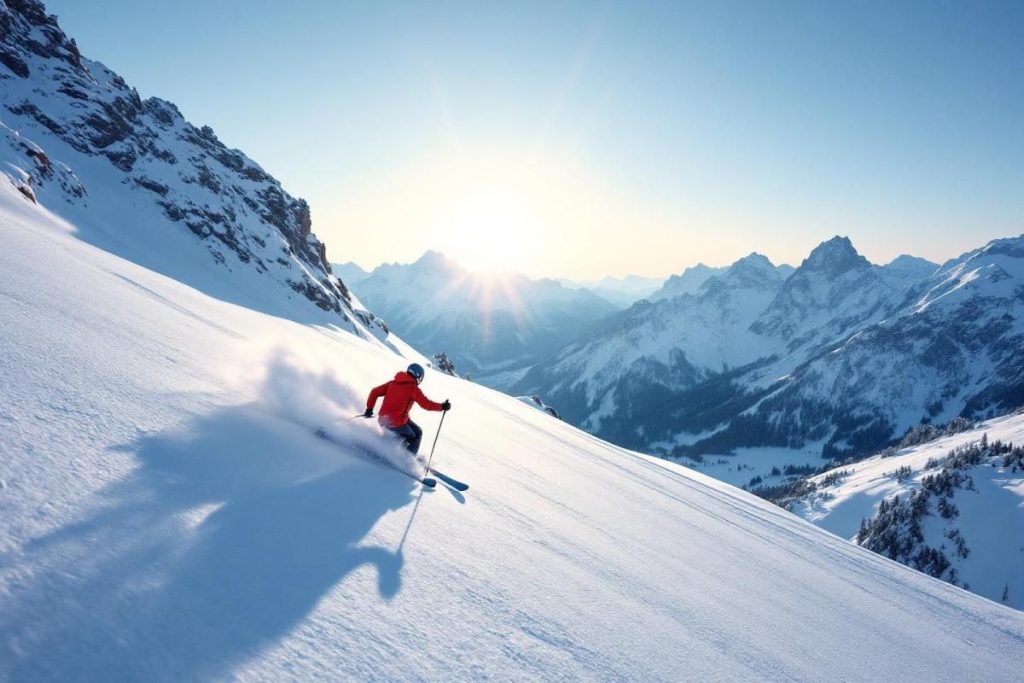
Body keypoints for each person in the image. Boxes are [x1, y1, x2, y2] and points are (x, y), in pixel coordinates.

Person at [365, 363, 450, 454]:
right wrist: (442, 406)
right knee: (413, 437)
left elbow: (374, 392)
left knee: (418, 431)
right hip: (396, 423)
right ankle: (407, 459)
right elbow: (426, 404)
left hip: (384, 419)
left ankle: (392, 447)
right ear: (418, 376)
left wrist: (369, 409)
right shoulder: (413, 388)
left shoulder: (392, 383)